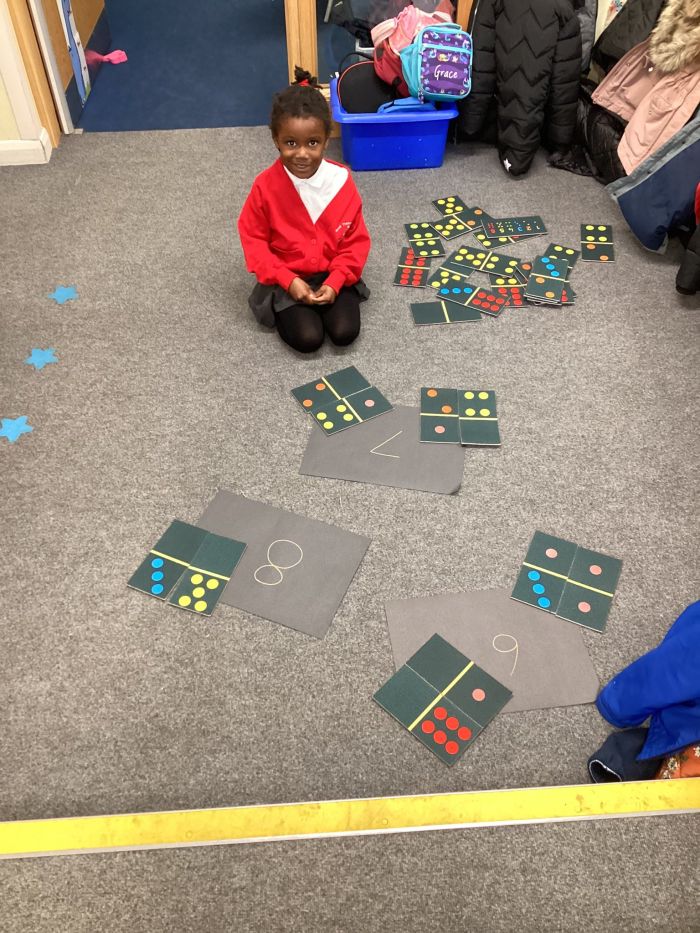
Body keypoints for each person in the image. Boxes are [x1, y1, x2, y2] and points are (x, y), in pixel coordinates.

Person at [238, 68, 371, 353]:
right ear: (276, 140)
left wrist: (336, 281)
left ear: (326, 140)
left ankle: (331, 293)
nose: (302, 154)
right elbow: (254, 242)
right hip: (286, 276)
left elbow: (355, 241)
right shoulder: (264, 187)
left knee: (344, 333)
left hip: (332, 271)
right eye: (290, 143)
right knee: (308, 339)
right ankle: (291, 303)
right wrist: (288, 280)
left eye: (312, 143)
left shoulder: (341, 181)